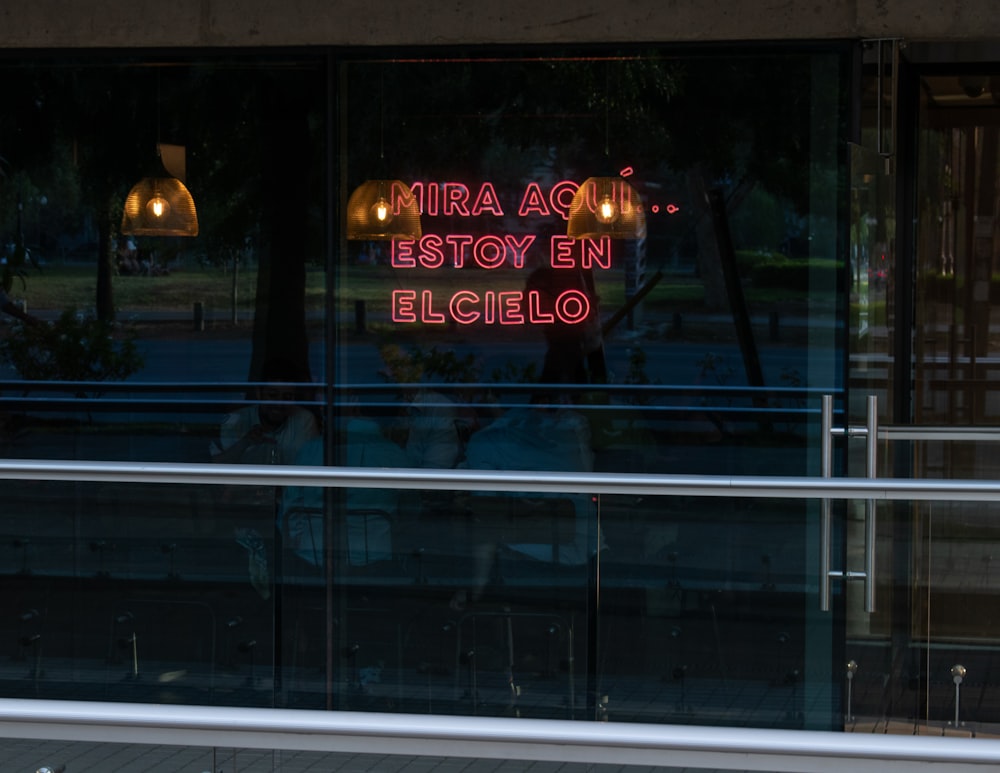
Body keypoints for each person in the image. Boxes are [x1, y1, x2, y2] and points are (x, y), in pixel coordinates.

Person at [279, 411, 418, 571]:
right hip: (376, 558)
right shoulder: (393, 453)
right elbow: (412, 509)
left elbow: (290, 504)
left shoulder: (310, 449)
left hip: (312, 555)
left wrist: (298, 540)